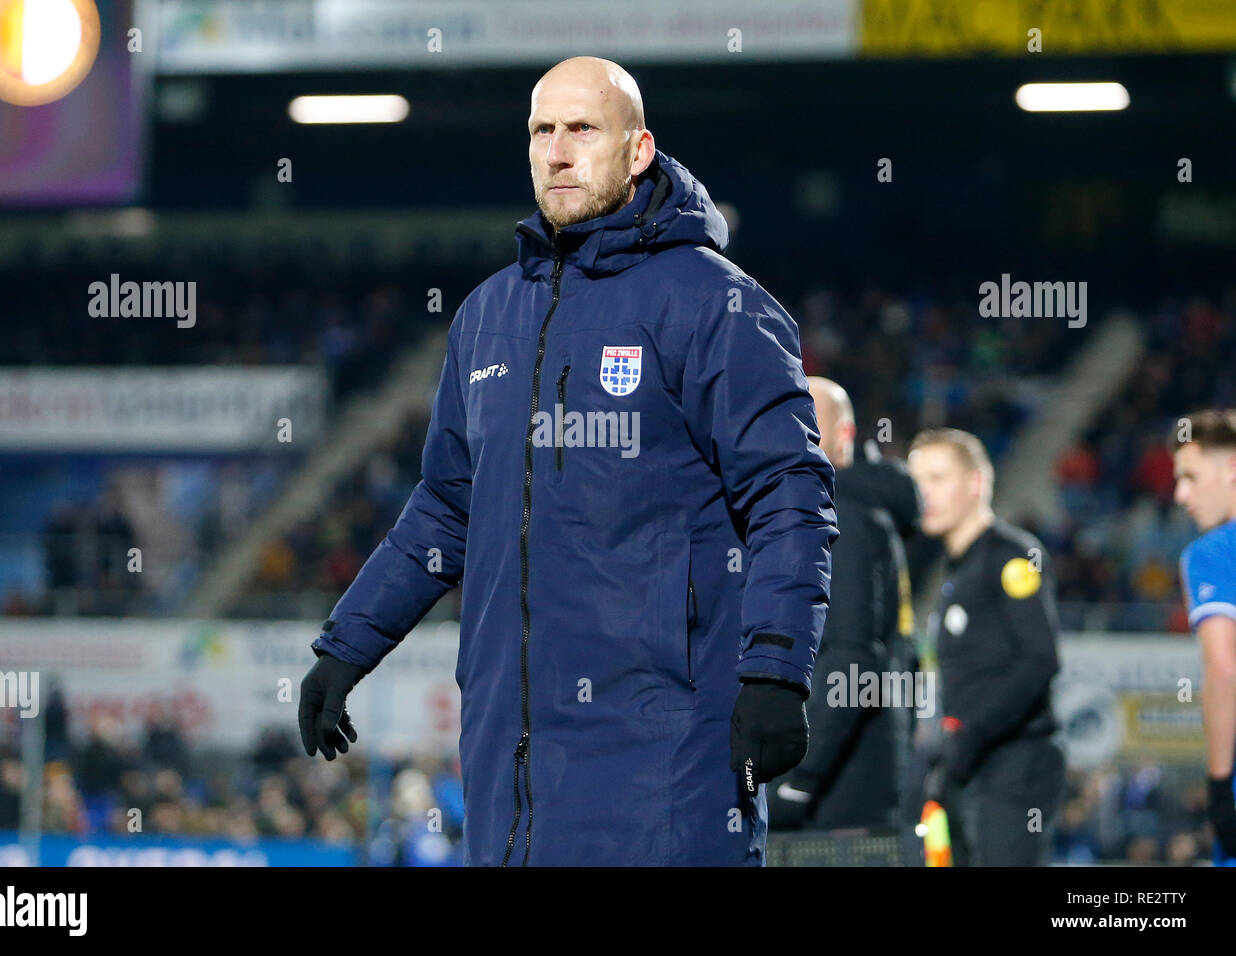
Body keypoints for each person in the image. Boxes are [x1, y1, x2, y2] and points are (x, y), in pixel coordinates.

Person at [298, 56, 838, 866]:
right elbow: (447, 506)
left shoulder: (714, 302)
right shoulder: (486, 316)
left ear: (638, 148)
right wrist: (346, 647)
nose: (558, 150)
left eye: (582, 128)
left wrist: (776, 670)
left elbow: (789, 492)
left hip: (667, 750)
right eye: (541, 131)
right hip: (508, 755)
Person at [770, 378, 920, 830]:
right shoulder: (846, 508)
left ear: (845, 437)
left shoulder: (843, 517)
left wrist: (798, 778)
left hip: (838, 795)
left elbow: (852, 658)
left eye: (808, 420)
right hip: (851, 778)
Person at [908, 428, 1062, 865]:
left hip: (1014, 763)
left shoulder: (1012, 557)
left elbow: (1040, 660)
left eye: (938, 478)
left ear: (975, 482)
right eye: (918, 481)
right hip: (971, 764)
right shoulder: (956, 566)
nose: (925, 494)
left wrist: (967, 736)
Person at [1172, 409, 1236, 865]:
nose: (1180, 495)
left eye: (1191, 477)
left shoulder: (1213, 552)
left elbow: (1223, 668)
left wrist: (1218, 786)